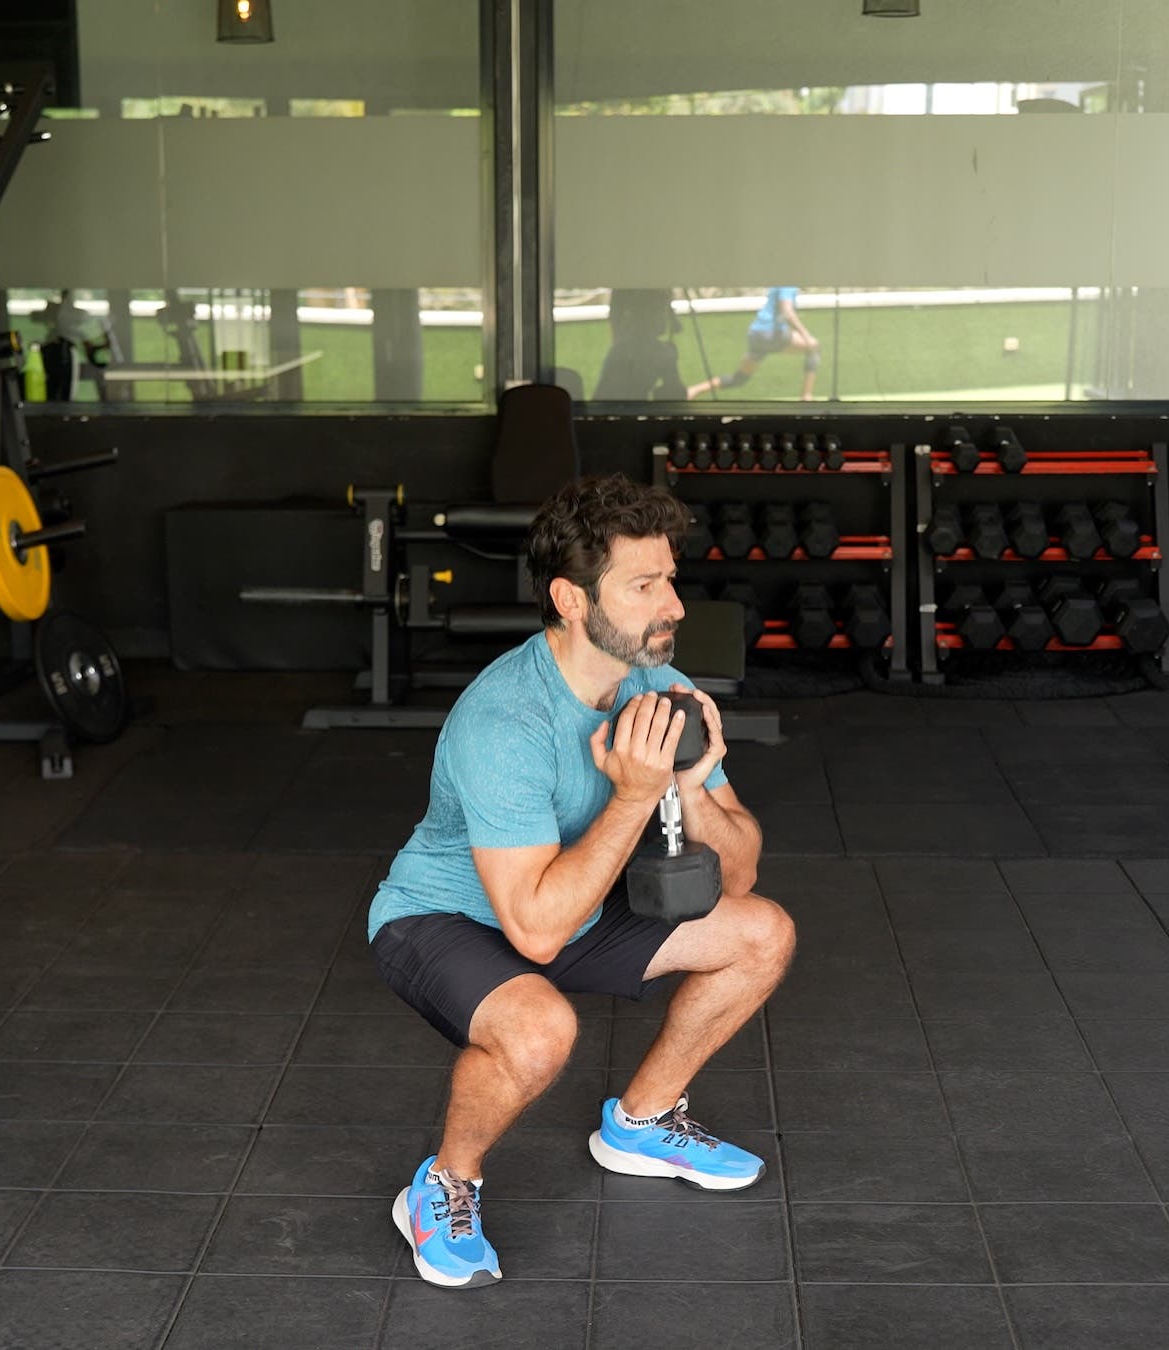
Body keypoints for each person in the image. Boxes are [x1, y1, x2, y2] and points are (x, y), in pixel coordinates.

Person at [367, 474, 797, 1290]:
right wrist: (638, 793)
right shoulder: (505, 721)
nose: (671, 603)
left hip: (571, 899)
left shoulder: (652, 688)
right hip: (444, 918)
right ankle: (446, 1183)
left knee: (761, 932)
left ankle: (641, 1121)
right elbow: (533, 934)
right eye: (643, 585)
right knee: (538, 1033)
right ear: (571, 598)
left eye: (670, 577)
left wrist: (695, 781)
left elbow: (738, 871)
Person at [686, 286, 820, 400]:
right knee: (813, 347)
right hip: (771, 334)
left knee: (739, 379)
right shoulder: (787, 284)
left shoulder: (779, 283)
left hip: (756, 334)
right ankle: (806, 396)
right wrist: (806, 337)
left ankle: (694, 390)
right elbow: (788, 312)